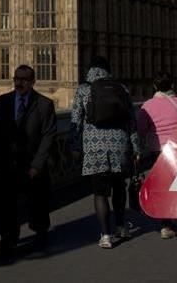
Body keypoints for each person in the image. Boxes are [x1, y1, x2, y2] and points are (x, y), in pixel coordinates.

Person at [70, 57, 141, 249]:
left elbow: (75, 121)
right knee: (119, 188)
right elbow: (131, 123)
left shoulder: (83, 90)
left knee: (100, 193)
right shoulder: (122, 89)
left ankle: (105, 235)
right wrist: (136, 148)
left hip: (95, 149)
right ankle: (121, 226)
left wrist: (75, 147)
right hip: (120, 147)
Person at [0, 64, 57, 259]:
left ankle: (41, 233)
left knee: (38, 202)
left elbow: (48, 136)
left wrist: (37, 165)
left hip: (32, 163)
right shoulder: (3, 101)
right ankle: (8, 240)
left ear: (33, 81)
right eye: (16, 79)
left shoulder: (45, 104)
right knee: (7, 205)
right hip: (8, 164)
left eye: (24, 79)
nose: (19, 82)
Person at [136, 73, 177, 239]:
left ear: (155, 87)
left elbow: (141, 130)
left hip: (157, 150)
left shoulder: (148, 106)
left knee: (163, 185)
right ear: (172, 85)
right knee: (176, 184)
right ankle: (174, 217)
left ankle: (166, 224)